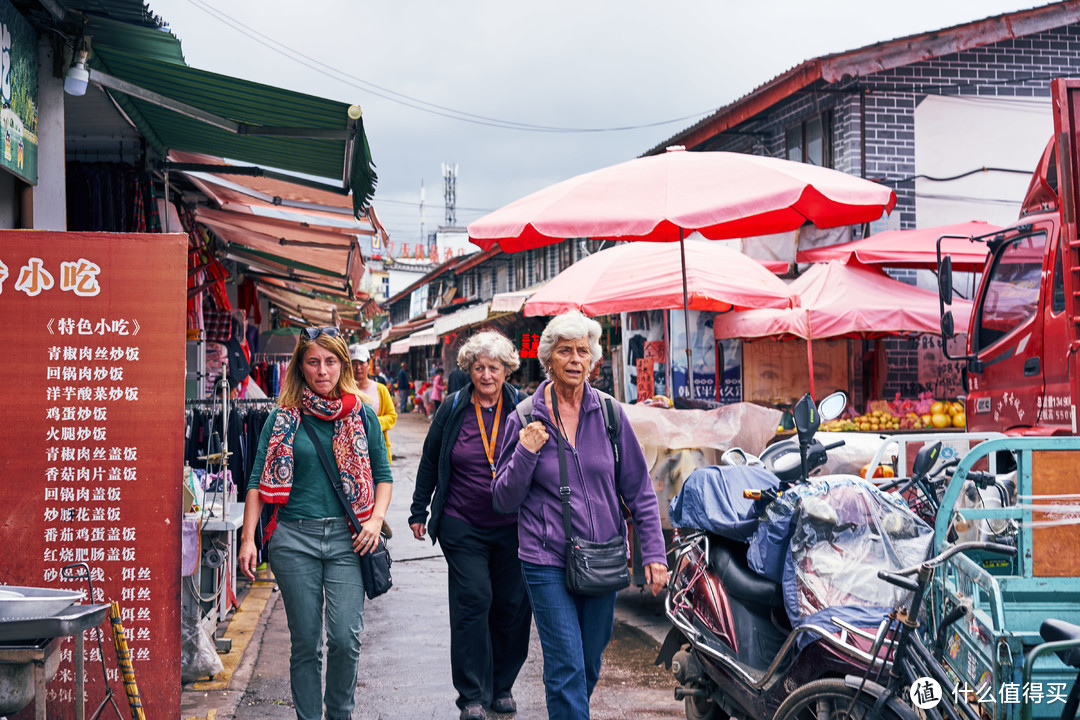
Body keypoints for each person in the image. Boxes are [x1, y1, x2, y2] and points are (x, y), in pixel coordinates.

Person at [492, 310, 668, 720]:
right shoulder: (524, 418)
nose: (574, 360)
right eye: (565, 351)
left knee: (587, 663)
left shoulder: (609, 414)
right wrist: (525, 452)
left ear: (593, 361)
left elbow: (639, 489)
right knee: (566, 665)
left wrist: (654, 555)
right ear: (549, 358)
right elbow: (502, 498)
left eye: (583, 352)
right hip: (545, 558)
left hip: (603, 555)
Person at [238, 326, 393, 720]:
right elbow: (257, 480)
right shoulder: (281, 418)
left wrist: (375, 520)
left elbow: (383, 475)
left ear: (341, 365)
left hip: (349, 540)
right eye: (313, 362)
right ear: (301, 367)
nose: (322, 370)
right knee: (306, 643)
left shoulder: (363, 415)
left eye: (330, 361)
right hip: (293, 540)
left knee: (345, 639)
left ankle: (339, 714)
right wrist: (247, 540)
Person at [410, 331, 532, 720]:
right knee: (474, 599)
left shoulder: (525, 409)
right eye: (478, 367)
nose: (486, 375)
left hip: (514, 525)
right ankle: (473, 695)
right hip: (462, 523)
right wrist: (418, 510)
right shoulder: (452, 408)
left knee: (512, 605)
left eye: (493, 367)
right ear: (469, 369)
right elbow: (431, 459)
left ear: (506, 370)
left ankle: (503, 685)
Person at [350, 344, 397, 465]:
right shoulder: (345, 390)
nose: (358, 367)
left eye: (361, 363)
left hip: (377, 447)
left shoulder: (380, 389)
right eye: (353, 363)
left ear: (368, 364)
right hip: (351, 451)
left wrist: (370, 424)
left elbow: (391, 416)